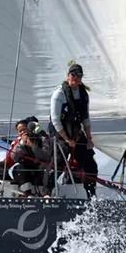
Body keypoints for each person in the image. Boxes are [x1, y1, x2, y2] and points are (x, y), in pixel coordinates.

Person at [49, 62, 98, 198]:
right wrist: (66, 139)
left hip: (75, 132)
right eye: (73, 74)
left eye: (79, 75)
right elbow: (55, 120)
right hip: (60, 133)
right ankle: (46, 193)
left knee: (90, 164)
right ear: (68, 76)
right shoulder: (59, 94)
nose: (76, 77)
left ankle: (91, 196)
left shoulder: (83, 95)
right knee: (58, 162)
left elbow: (85, 118)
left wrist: (89, 139)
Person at [9, 117, 52, 196]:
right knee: (17, 168)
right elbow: (14, 157)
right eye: (20, 131)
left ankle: (44, 192)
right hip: (27, 169)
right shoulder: (18, 142)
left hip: (40, 168)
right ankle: (27, 192)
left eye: (24, 129)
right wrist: (21, 144)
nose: (22, 132)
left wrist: (32, 145)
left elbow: (45, 156)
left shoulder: (42, 139)